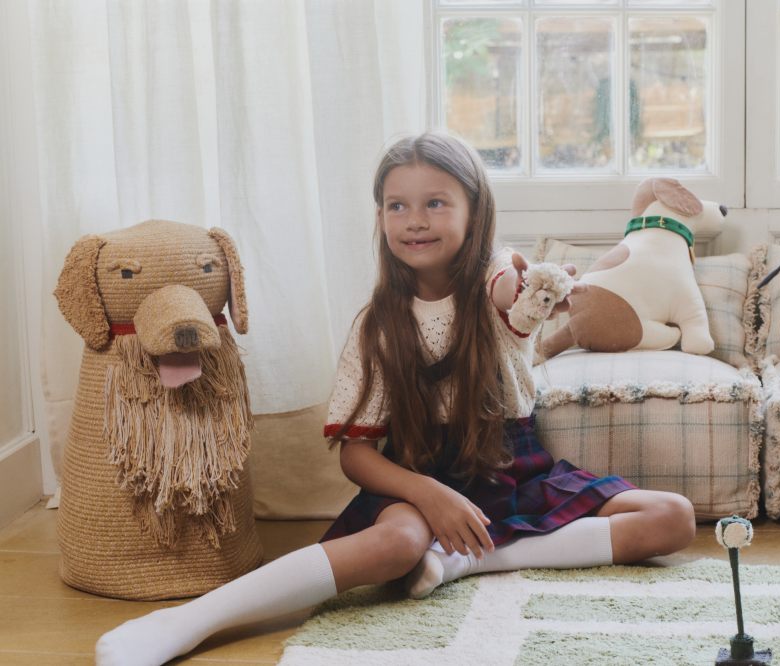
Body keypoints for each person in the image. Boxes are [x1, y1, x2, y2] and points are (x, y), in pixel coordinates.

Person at [95, 131, 696, 666]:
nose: (415, 220)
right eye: (397, 205)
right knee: (400, 544)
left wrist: (521, 277)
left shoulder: (502, 293)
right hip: (415, 479)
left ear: (475, 210)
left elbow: (507, 282)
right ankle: (188, 620)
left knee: (672, 517)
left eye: (436, 203)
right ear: (381, 216)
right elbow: (356, 455)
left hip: (514, 470)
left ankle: (468, 557)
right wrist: (431, 496)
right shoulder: (377, 325)